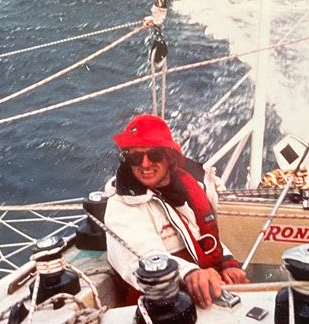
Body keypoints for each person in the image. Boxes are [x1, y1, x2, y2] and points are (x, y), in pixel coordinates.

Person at [104, 114, 248, 308]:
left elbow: (204, 237)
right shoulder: (120, 208)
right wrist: (190, 273)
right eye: (136, 157)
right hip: (162, 305)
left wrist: (227, 262)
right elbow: (146, 257)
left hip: (208, 290)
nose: (145, 164)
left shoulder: (192, 186)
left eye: (154, 155)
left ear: (169, 157)